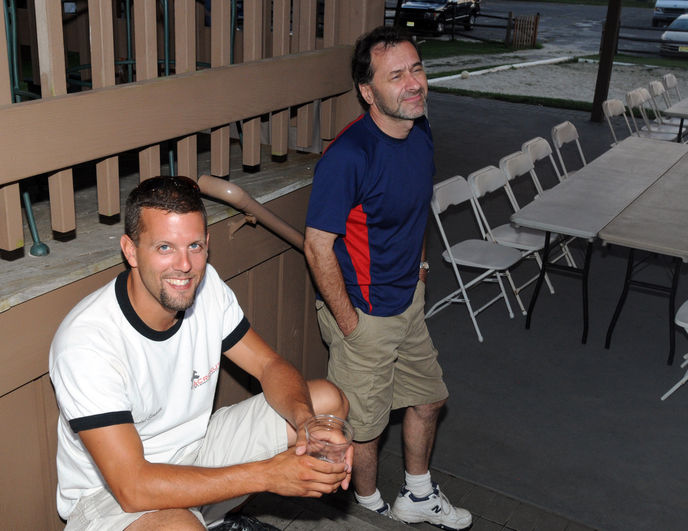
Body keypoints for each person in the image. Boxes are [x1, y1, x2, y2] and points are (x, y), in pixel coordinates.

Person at [50, 175, 353, 531]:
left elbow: (268, 364)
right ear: (130, 250)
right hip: (111, 495)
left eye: (194, 246)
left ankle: (211, 517)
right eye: (165, 247)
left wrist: (305, 423)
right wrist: (268, 475)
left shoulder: (206, 285)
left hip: (195, 449)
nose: (184, 265)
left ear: (207, 243)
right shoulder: (88, 342)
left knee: (326, 403)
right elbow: (132, 487)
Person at [303, 26, 472, 530]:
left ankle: (416, 495)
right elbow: (317, 245)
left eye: (416, 68)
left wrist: (420, 270)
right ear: (368, 91)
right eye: (395, 76)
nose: (413, 83)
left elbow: (416, 209)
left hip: (408, 300)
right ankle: (369, 508)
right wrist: (350, 324)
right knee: (364, 429)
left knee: (430, 398)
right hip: (366, 315)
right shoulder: (349, 156)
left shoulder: (420, 131)